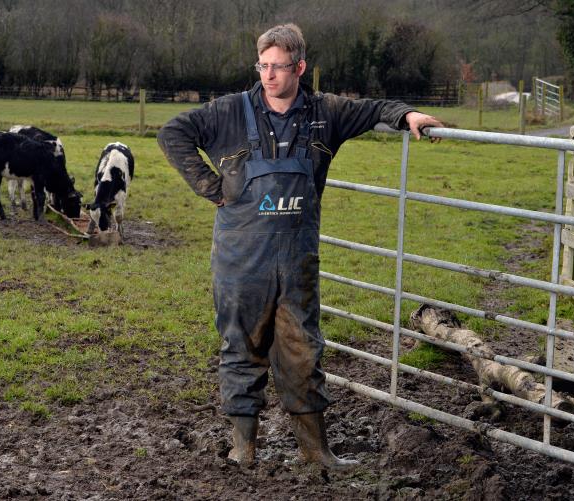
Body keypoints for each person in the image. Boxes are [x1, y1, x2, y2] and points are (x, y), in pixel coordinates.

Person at [158, 23, 443, 469]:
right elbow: (172, 133)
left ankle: (316, 452)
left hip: (296, 259)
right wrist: (210, 187)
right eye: (263, 66)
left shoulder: (324, 112)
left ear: (300, 67)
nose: (269, 75)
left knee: (302, 350)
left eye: (279, 67)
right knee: (241, 347)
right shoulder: (229, 112)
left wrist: (409, 116)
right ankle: (243, 447)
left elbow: (375, 109)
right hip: (240, 259)